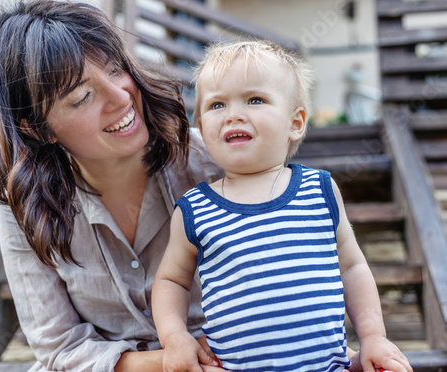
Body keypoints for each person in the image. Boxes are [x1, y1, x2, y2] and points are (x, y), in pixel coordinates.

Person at [0, 1, 226, 371]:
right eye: (82, 97)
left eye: (115, 70)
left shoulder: (211, 163)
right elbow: (58, 346)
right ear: (37, 128)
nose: (121, 97)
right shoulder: (26, 202)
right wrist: (171, 361)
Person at [152, 41, 412, 372]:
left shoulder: (319, 191)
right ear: (202, 129)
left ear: (296, 123)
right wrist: (175, 337)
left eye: (255, 100)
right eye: (217, 105)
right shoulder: (194, 209)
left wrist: (373, 337)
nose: (234, 115)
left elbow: (351, 267)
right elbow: (171, 281)